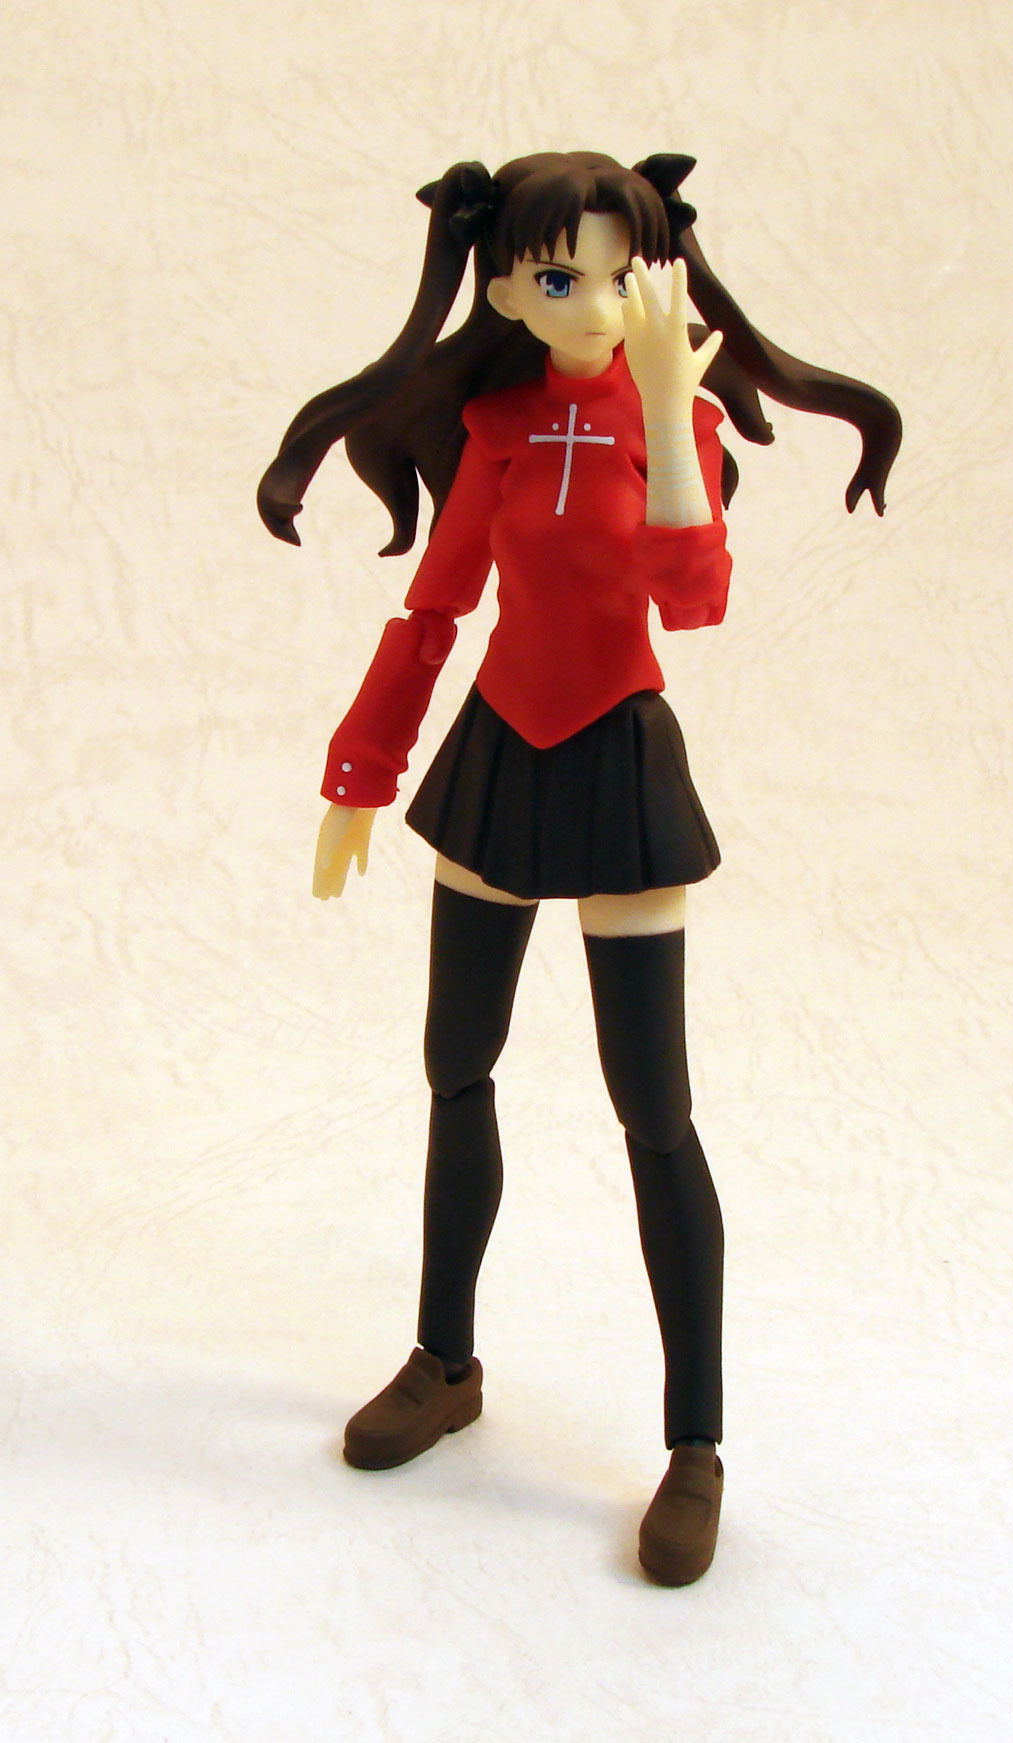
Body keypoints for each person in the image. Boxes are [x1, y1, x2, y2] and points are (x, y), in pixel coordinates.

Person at [259, 151, 901, 1585]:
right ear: (503, 289)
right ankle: (444, 1359)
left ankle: (696, 1443)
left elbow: (695, 599)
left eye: (624, 274)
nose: (598, 301)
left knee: (654, 1110)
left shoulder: (678, 420)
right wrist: (360, 775)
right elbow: (436, 609)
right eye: (560, 276)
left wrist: (670, 414)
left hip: (616, 751)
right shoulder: (494, 427)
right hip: (500, 752)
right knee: (457, 1066)